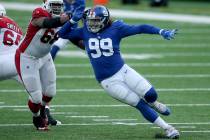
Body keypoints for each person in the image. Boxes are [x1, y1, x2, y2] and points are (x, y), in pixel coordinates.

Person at [58, 5, 179, 139]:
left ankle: (154, 103)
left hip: (123, 71)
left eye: (96, 20)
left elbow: (140, 28)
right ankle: (168, 128)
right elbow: (62, 34)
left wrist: (161, 31)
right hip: (108, 81)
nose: (92, 24)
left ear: (104, 20)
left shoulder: (116, 28)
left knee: (151, 94)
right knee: (139, 104)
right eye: (90, 20)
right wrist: (73, 20)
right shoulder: (84, 31)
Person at [0, 4, 61, 126]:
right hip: (18, 63)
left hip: (4, 63)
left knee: (38, 91)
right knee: (40, 92)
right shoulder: (13, 24)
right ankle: (44, 113)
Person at [14, 0, 71, 130]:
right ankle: (36, 117)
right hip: (27, 57)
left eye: (59, 6)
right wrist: (64, 20)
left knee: (50, 92)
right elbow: (46, 22)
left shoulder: (61, 19)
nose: (57, 8)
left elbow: (71, 35)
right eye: (54, 5)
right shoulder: (39, 12)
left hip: (45, 56)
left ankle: (44, 110)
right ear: (46, 5)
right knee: (36, 97)